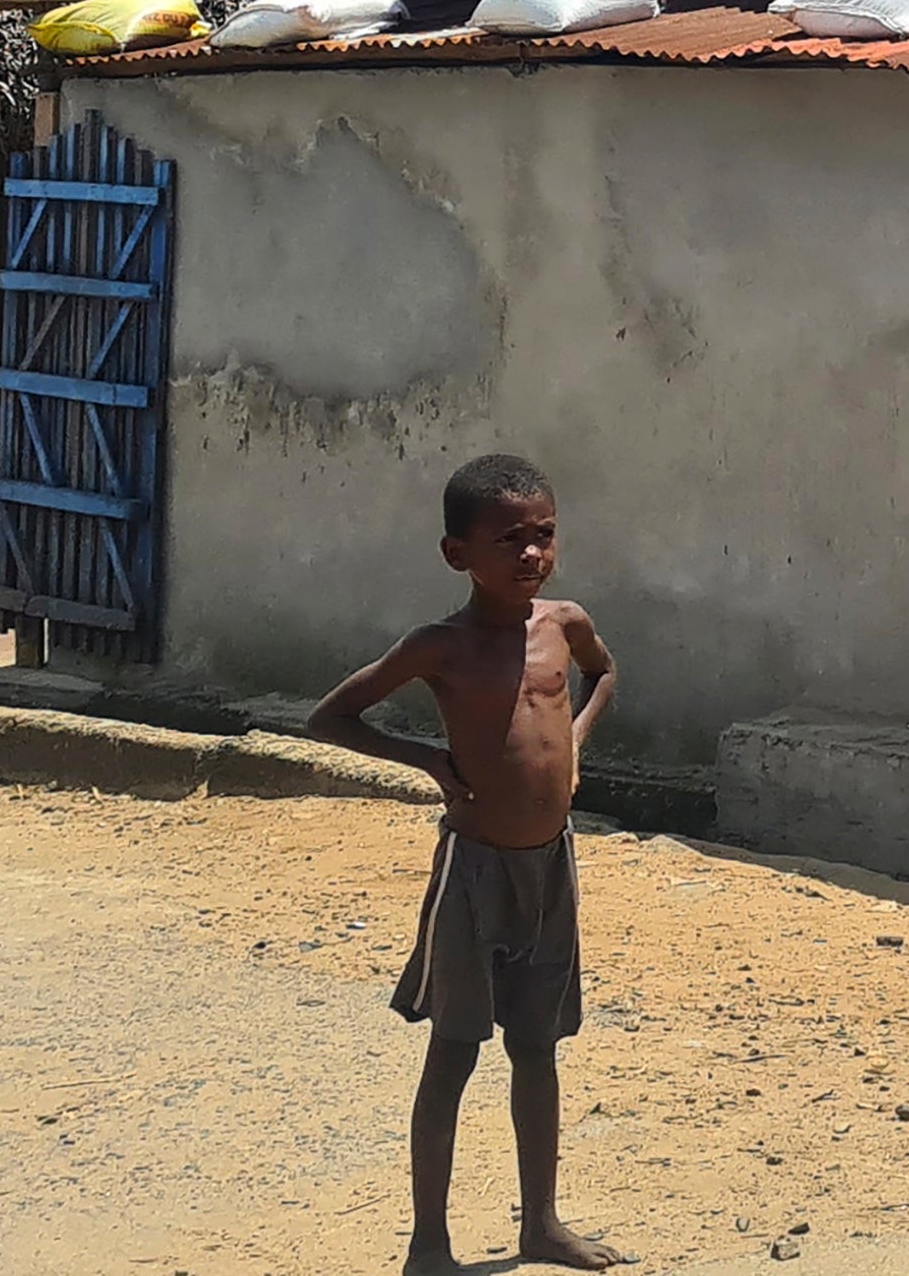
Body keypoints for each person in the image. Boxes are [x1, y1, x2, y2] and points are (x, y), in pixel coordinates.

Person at [308, 451, 628, 1273]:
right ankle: (429, 1243)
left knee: (538, 1047)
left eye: (544, 535)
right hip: (476, 871)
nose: (531, 554)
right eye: (509, 539)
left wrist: (576, 743)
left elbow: (603, 673)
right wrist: (426, 760)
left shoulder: (564, 625)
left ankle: (542, 1226)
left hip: (549, 869)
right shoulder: (439, 647)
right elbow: (332, 717)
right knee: (454, 1049)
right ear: (458, 555)